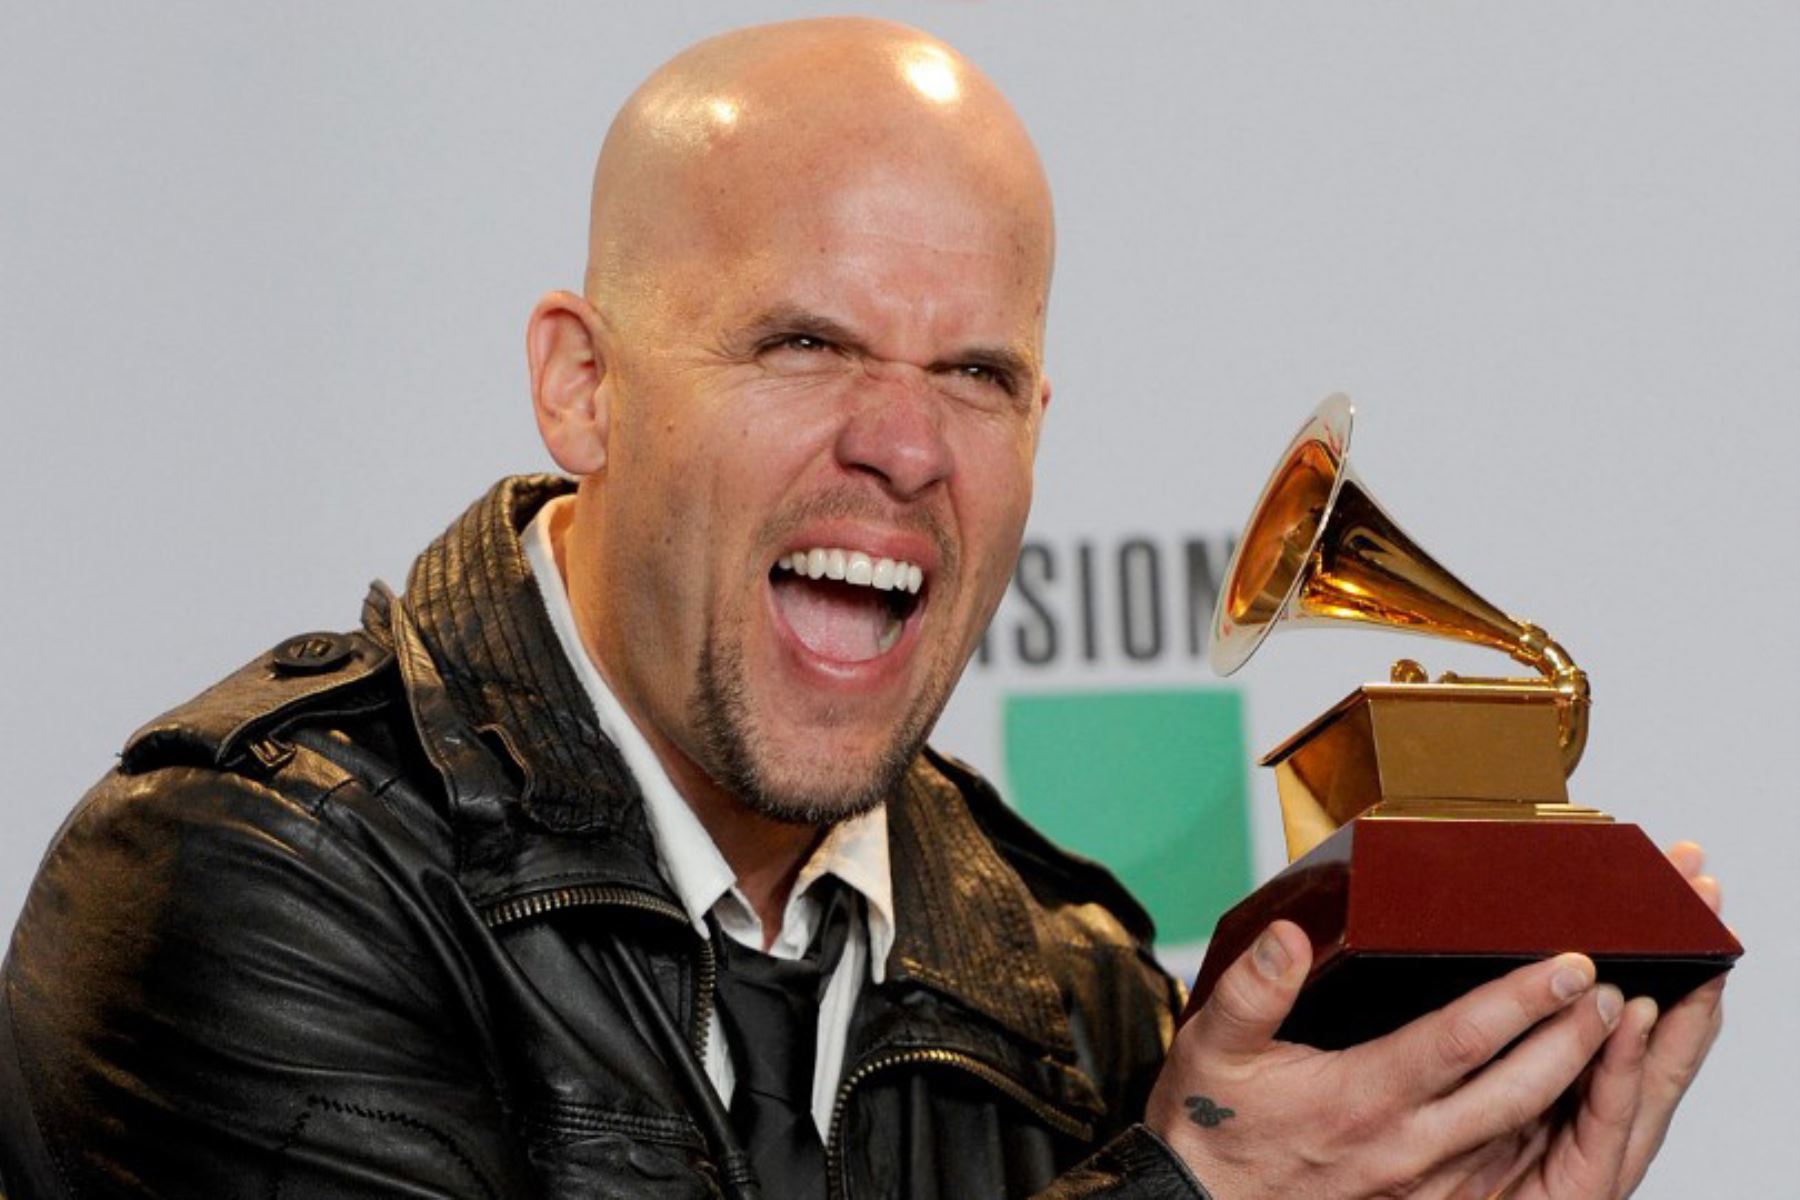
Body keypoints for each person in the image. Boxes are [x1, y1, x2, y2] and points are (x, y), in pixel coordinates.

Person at [0, 17, 1725, 1199]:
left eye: (977, 371)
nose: (902, 443)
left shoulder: (1079, 987)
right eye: (805, 341)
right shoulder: (244, 879)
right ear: (583, 389)